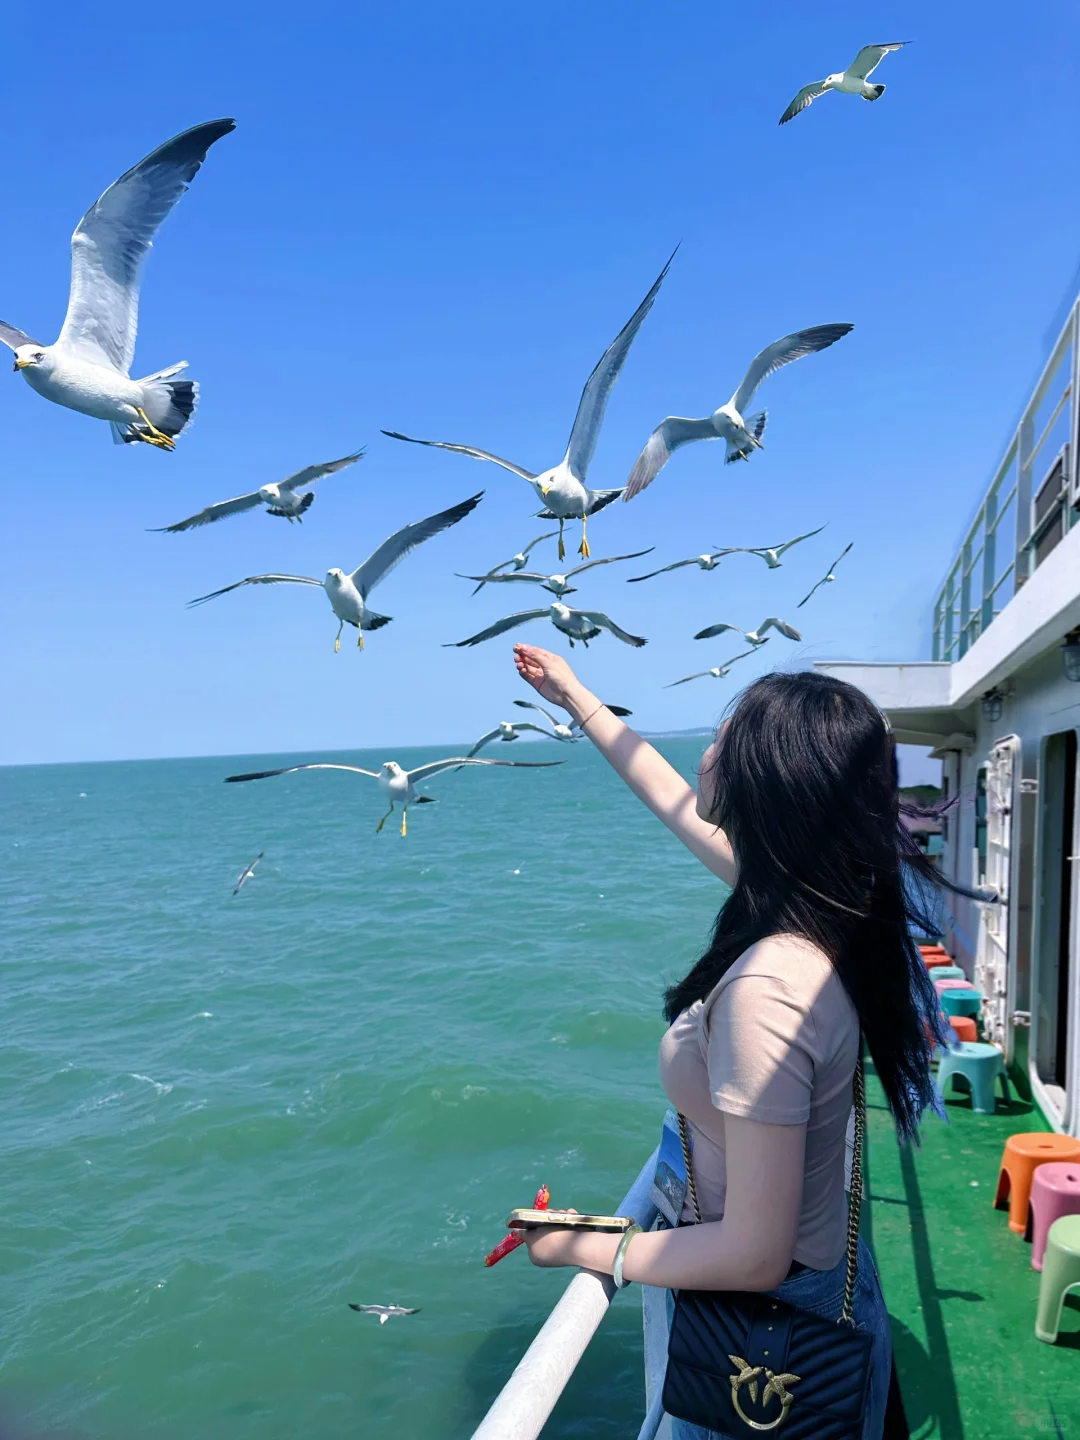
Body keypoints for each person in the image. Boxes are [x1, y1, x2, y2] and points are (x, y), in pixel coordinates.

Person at [511, 643, 954, 1440]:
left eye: (724, 738)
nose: (707, 753)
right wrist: (575, 696)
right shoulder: (822, 905)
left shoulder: (768, 989)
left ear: (767, 779)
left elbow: (755, 1254)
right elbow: (669, 797)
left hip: (765, 1354)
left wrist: (587, 1248)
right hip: (816, 1292)